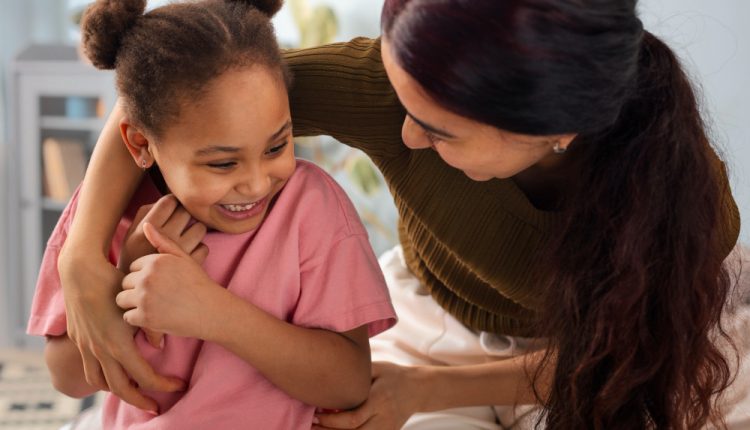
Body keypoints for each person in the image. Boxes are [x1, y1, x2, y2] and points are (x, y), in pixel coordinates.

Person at [55, 0, 749, 429]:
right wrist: (83, 256)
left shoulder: (682, 205)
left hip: (643, 354)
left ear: (554, 128)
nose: (407, 137)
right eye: (403, 105)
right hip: (434, 322)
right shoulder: (388, 91)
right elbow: (170, 90)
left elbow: (624, 361)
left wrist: (429, 389)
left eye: (439, 130)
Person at [26, 0, 397, 428]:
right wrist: (125, 280)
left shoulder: (312, 205)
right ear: (141, 144)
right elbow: (66, 377)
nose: (257, 183)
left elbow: (349, 384)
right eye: (222, 164)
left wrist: (213, 313)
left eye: (277, 146)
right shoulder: (104, 218)